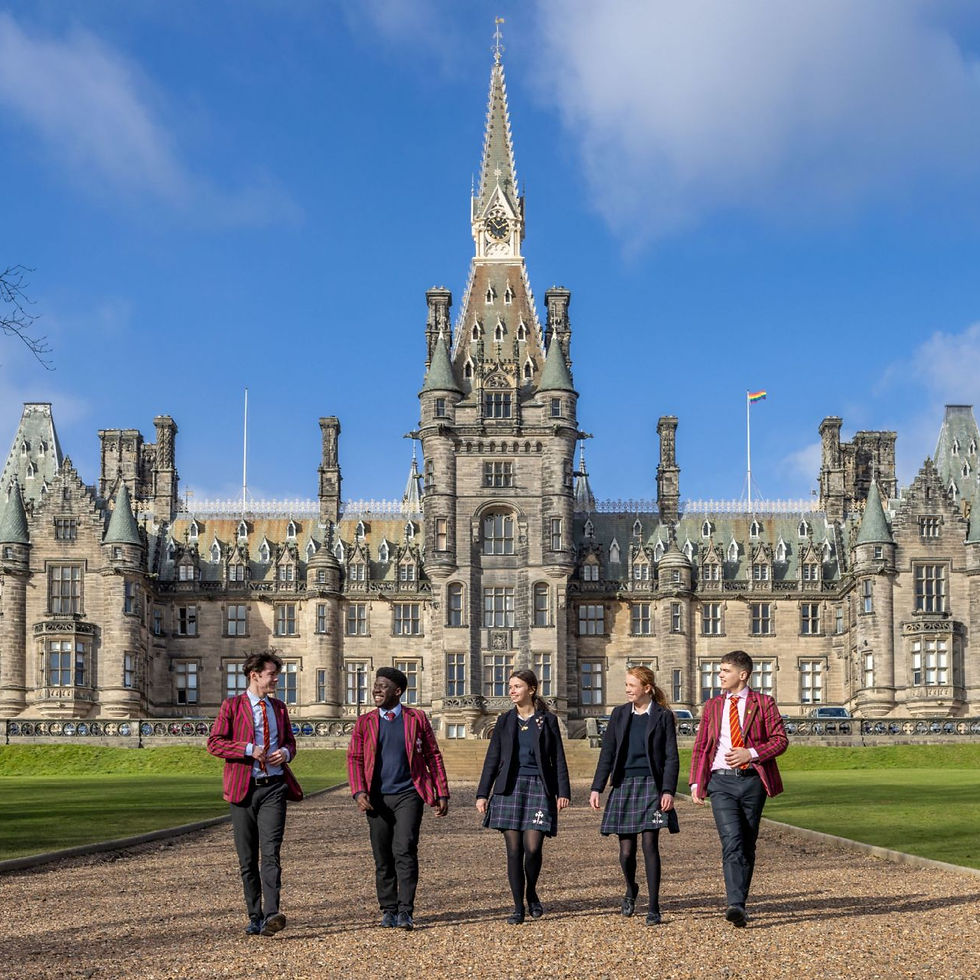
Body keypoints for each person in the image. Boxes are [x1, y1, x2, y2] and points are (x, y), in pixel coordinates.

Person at [689, 649, 788, 928]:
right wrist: (697, 781)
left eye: (725, 670)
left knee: (747, 842)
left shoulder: (764, 703)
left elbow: (781, 741)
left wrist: (751, 753)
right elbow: (701, 747)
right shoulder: (712, 706)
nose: (719, 674)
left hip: (753, 781)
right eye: (719, 670)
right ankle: (734, 903)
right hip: (720, 781)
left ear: (742, 675)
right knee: (731, 840)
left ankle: (740, 903)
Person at [207, 651, 303, 937]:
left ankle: (272, 913)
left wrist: (284, 753)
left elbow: (291, 744)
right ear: (254, 675)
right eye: (272, 674)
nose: (276, 679)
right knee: (247, 858)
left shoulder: (279, 708)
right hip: (243, 790)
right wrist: (249, 750)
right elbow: (214, 743)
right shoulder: (232, 706)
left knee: (271, 853)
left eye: (276, 674)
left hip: (273, 787)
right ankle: (254, 915)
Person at [347, 666, 450, 930]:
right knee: (382, 856)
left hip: (409, 794)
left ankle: (405, 910)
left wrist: (441, 792)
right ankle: (388, 909)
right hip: (377, 798)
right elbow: (355, 759)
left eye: (382, 686)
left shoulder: (416, 718)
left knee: (404, 850)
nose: (376, 690)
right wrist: (359, 791)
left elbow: (432, 755)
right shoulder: (365, 722)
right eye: (375, 686)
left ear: (398, 691)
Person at [476, 669, 571, 924]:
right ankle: (518, 906)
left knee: (533, 848)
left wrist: (563, 791)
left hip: (539, 787)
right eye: (510, 686)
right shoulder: (505, 720)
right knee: (514, 850)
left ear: (531, 689)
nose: (512, 690)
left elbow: (558, 757)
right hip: (509, 788)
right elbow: (492, 759)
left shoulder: (547, 721)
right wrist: (482, 793)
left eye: (517, 686)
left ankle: (531, 891)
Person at [589, 665, 678, 925]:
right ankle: (631, 889)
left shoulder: (662, 716)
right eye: (626, 685)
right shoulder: (618, 714)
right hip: (625, 785)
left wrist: (668, 790)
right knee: (627, 851)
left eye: (631, 685)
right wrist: (597, 787)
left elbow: (672, 758)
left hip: (652, 785)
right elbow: (607, 753)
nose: (627, 689)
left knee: (650, 845)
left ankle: (654, 906)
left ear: (646, 688)